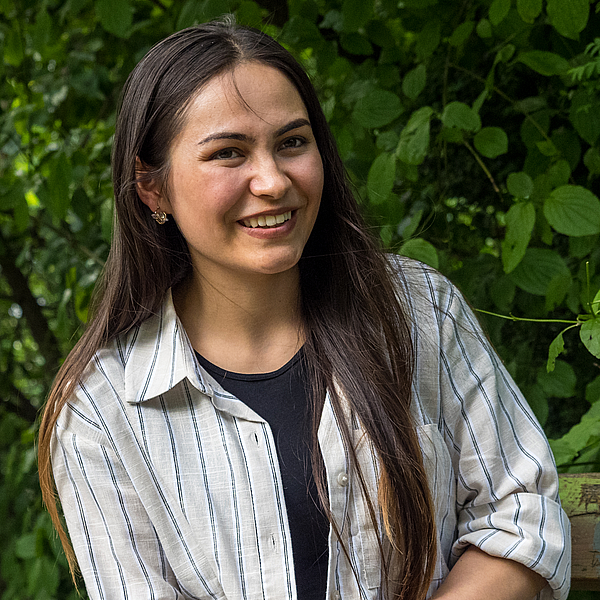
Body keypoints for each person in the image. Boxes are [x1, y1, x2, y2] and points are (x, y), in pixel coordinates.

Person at [38, 19, 570, 600]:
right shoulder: (100, 411)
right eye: (228, 153)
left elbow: (523, 517)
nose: (272, 181)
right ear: (152, 188)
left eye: (292, 142)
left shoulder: (419, 311)